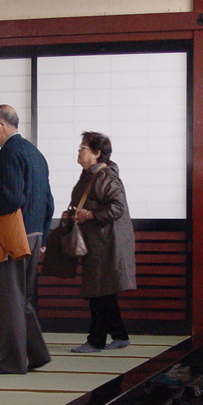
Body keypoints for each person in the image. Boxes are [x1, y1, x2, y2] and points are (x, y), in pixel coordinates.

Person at [0, 105, 54, 374]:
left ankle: (12, 362)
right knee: (22, 299)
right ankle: (37, 354)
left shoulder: (8, 153)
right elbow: (49, 202)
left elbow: (12, 198)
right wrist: (43, 236)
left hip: (14, 237)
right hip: (34, 236)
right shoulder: (35, 154)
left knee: (8, 301)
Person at [67, 131, 136, 353]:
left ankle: (96, 340)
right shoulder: (91, 174)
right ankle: (120, 335)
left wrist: (89, 215)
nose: (79, 151)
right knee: (103, 291)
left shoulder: (105, 176)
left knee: (100, 292)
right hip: (99, 241)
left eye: (83, 147)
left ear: (97, 153)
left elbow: (118, 207)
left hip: (107, 243)